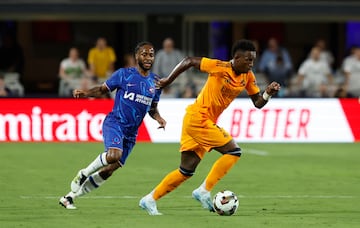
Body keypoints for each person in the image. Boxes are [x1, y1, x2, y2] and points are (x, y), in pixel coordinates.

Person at [139, 39, 280, 215]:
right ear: (236, 58)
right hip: (198, 119)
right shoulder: (219, 67)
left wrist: (268, 93)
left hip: (199, 121)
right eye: (248, 60)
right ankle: (203, 191)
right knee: (233, 152)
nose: (251, 64)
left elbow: (258, 103)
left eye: (253, 60)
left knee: (186, 170)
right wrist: (168, 80)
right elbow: (189, 60)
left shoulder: (248, 76)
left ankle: (149, 199)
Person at [59, 41, 166, 210]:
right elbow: (102, 89)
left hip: (131, 135)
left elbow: (152, 108)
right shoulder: (124, 75)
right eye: (144, 54)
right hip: (115, 123)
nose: (148, 58)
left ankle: (70, 197)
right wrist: (85, 93)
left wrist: (159, 118)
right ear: (136, 56)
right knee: (114, 155)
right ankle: (84, 173)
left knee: (109, 170)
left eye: (151, 54)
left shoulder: (156, 83)